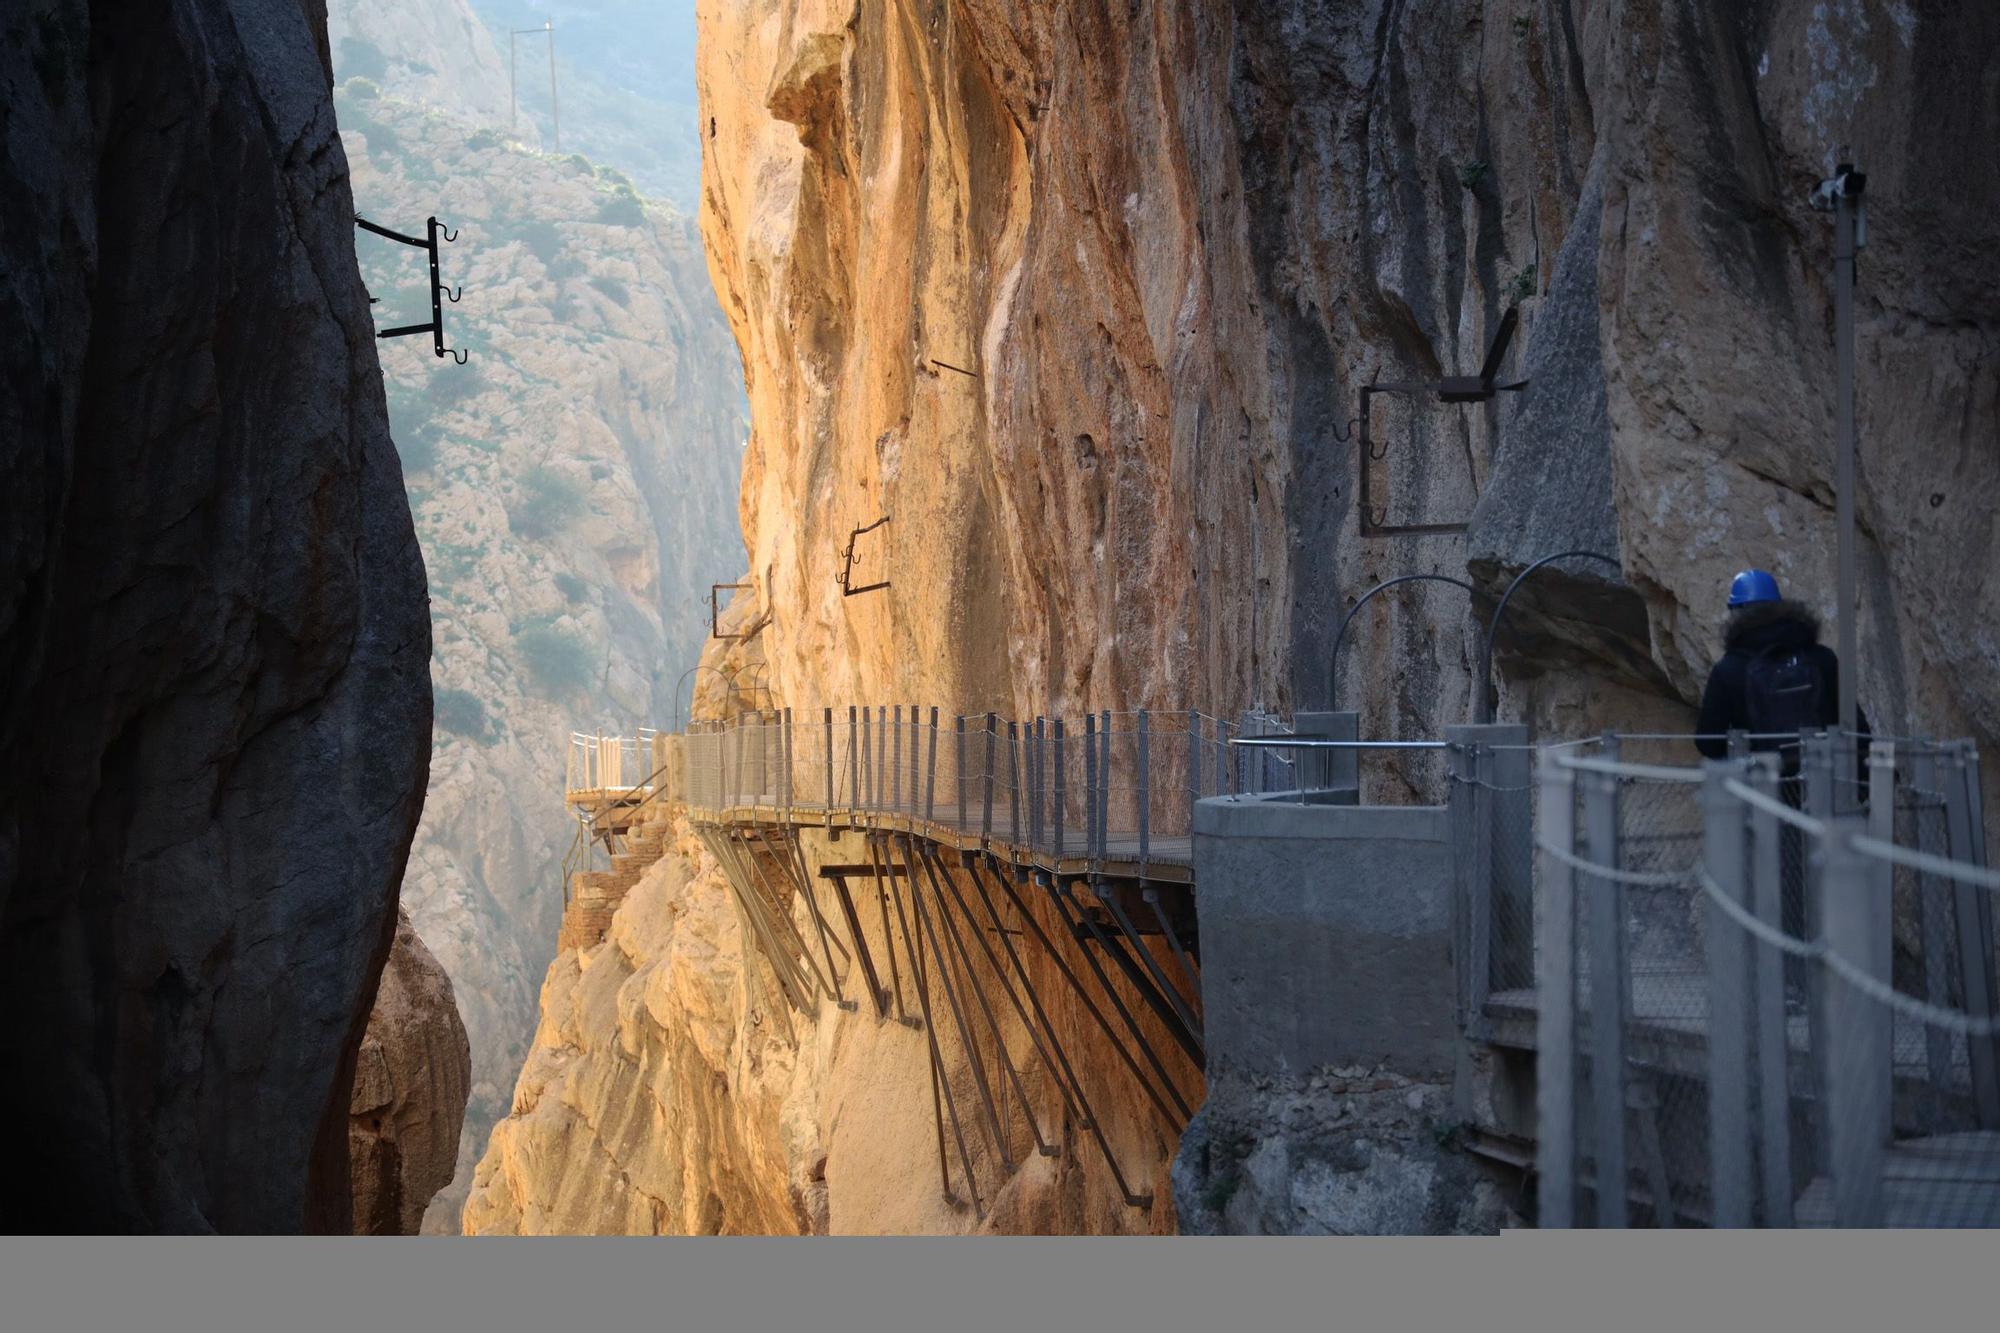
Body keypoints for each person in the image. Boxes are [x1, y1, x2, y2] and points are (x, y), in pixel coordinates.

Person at [1693, 568, 1868, 768]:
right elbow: (1855, 726)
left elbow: (1708, 742)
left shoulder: (1729, 669)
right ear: (1779, 606)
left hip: (1762, 785)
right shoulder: (1821, 658)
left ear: (1736, 612)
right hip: (1823, 781)